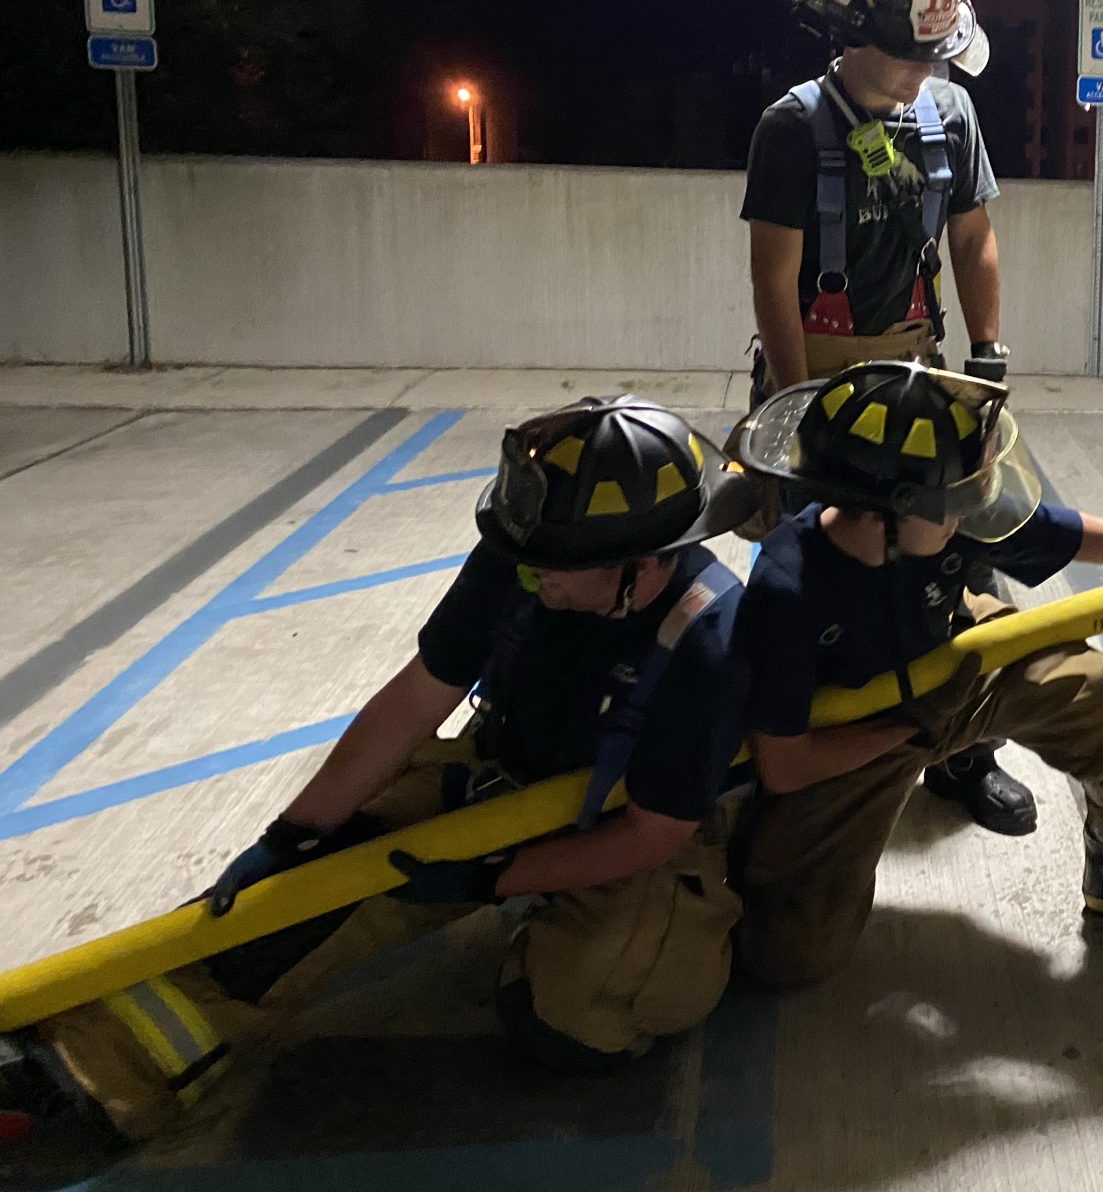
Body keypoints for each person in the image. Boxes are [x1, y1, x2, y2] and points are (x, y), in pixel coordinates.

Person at [0, 398, 759, 1150]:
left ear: (643, 563)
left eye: (552, 566)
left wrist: (489, 878)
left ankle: (559, 945)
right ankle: (82, 1068)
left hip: (626, 832)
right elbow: (413, 702)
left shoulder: (708, 637)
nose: (529, 575)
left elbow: (653, 834)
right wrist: (294, 836)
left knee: (577, 1023)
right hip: (504, 788)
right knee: (288, 909)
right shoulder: (526, 553)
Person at [724, 360, 1103, 989]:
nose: (971, 511)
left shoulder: (948, 515)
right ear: (890, 514)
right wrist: (909, 732)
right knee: (789, 957)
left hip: (962, 656)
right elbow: (786, 764)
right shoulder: (788, 590)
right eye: (956, 503)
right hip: (852, 732)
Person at [741, 0, 1029, 837]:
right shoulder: (792, 129)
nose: (922, 75)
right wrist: (793, 410)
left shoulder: (950, 115)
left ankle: (959, 750)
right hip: (815, 368)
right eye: (906, 56)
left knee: (946, 562)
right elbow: (775, 278)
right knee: (824, 570)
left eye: (934, 58)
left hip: (916, 364)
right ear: (846, 32)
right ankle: (815, 756)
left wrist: (984, 360)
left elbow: (974, 238)